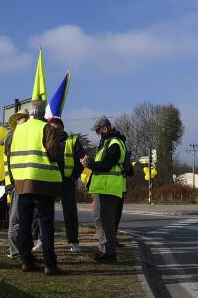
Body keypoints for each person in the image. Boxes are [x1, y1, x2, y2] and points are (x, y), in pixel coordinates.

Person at [8, 100, 63, 275]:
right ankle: (49, 264)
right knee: (45, 223)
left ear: (30, 113)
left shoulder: (18, 130)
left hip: (22, 183)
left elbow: (10, 155)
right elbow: (53, 153)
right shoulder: (46, 128)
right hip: (42, 182)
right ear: (43, 113)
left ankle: (26, 261)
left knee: (24, 223)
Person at [81, 116, 127, 263]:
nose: (97, 135)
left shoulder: (114, 143)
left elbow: (106, 165)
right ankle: (103, 250)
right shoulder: (108, 142)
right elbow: (103, 163)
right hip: (103, 187)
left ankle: (109, 254)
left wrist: (89, 164)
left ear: (105, 129)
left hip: (108, 188)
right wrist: (91, 163)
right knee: (100, 219)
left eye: (98, 132)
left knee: (105, 221)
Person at [49, 117, 84, 253]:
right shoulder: (47, 140)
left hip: (67, 181)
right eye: (51, 129)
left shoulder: (72, 141)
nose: (54, 131)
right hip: (50, 180)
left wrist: (74, 175)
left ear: (62, 127)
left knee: (70, 213)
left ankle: (73, 242)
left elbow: (81, 159)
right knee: (46, 212)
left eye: (56, 128)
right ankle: (43, 240)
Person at [4, 108, 30, 260]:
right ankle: (16, 253)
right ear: (16, 122)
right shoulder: (12, 137)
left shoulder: (22, 137)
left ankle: (23, 252)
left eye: (26, 119)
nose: (25, 121)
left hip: (23, 182)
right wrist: (13, 183)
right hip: (15, 184)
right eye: (22, 119)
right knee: (16, 220)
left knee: (23, 219)